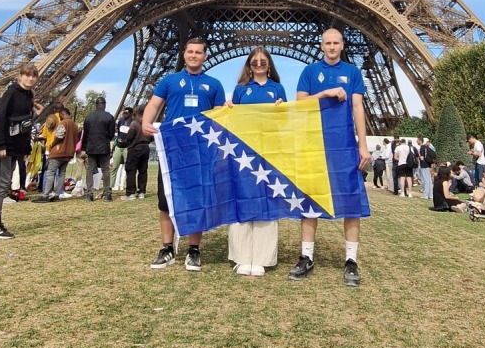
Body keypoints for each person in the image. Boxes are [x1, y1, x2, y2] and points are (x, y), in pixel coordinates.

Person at [288, 28, 371, 286]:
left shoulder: (352, 72)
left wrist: (363, 145)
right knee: (310, 199)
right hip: (314, 143)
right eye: (328, 43)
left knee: (351, 201)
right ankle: (306, 256)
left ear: (342, 45)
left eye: (336, 43)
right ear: (321, 46)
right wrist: (325, 93)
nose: (332, 47)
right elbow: (300, 103)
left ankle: (351, 260)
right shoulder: (310, 72)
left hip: (344, 145)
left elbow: (357, 107)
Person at [142, 37, 225, 271]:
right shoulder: (169, 81)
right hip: (172, 147)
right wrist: (146, 122)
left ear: (205, 56)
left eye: (198, 52)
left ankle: (193, 249)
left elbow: (219, 116)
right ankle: (167, 247)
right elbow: (154, 104)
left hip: (200, 150)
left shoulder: (214, 84)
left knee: (197, 198)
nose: (194, 55)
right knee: (165, 199)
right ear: (184, 54)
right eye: (190, 51)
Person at [227, 46, 286, 276]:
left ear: (269, 64)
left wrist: (282, 110)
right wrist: (228, 109)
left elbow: (285, 122)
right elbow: (232, 122)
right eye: (254, 62)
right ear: (249, 66)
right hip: (244, 151)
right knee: (242, 197)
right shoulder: (240, 90)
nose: (259, 64)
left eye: (263, 61)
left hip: (269, 150)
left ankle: (262, 257)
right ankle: (241, 257)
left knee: (267, 200)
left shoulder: (277, 88)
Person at [0, 64, 40, 238]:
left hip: (15, 147)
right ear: (20, 76)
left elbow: (26, 124)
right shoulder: (11, 93)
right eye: (27, 75)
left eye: (33, 76)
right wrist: (0, 145)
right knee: (1, 184)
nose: (30, 78)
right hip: (3, 145)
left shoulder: (28, 95)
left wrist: (26, 148)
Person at [37, 106, 79, 201]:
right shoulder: (75, 125)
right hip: (69, 153)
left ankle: (45, 195)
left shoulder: (64, 123)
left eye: (60, 116)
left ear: (63, 114)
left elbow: (59, 135)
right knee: (62, 174)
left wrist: (53, 144)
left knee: (50, 172)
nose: (59, 118)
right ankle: (57, 194)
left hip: (58, 152)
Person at [82, 96, 116, 201]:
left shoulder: (88, 117)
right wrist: (105, 140)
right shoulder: (109, 117)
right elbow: (111, 134)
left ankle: (89, 194)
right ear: (104, 105)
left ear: (96, 105)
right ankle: (107, 194)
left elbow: (85, 134)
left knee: (90, 170)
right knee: (105, 170)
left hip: (91, 147)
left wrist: (85, 146)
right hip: (103, 147)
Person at [124, 106, 152, 199]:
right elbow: (152, 137)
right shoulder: (148, 124)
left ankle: (131, 192)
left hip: (135, 148)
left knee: (131, 171)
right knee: (143, 171)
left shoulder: (134, 123)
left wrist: (125, 142)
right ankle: (142, 192)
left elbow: (129, 137)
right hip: (146, 148)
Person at [111, 106, 134, 189]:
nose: (124, 114)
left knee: (127, 167)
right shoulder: (120, 121)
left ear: (130, 113)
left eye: (126, 112)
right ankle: (111, 186)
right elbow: (118, 132)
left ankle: (126, 185)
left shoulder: (133, 122)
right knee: (114, 167)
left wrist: (127, 141)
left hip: (127, 147)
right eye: (123, 112)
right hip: (119, 146)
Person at [416, 137, 434, 201]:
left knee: (425, 180)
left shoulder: (422, 148)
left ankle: (425, 195)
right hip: (427, 165)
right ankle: (430, 195)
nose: (417, 142)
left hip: (423, 165)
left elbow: (422, 158)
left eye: (417, 140)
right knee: (429, 180)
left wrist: (418, 154)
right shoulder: (426, 147)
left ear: (420, 141)